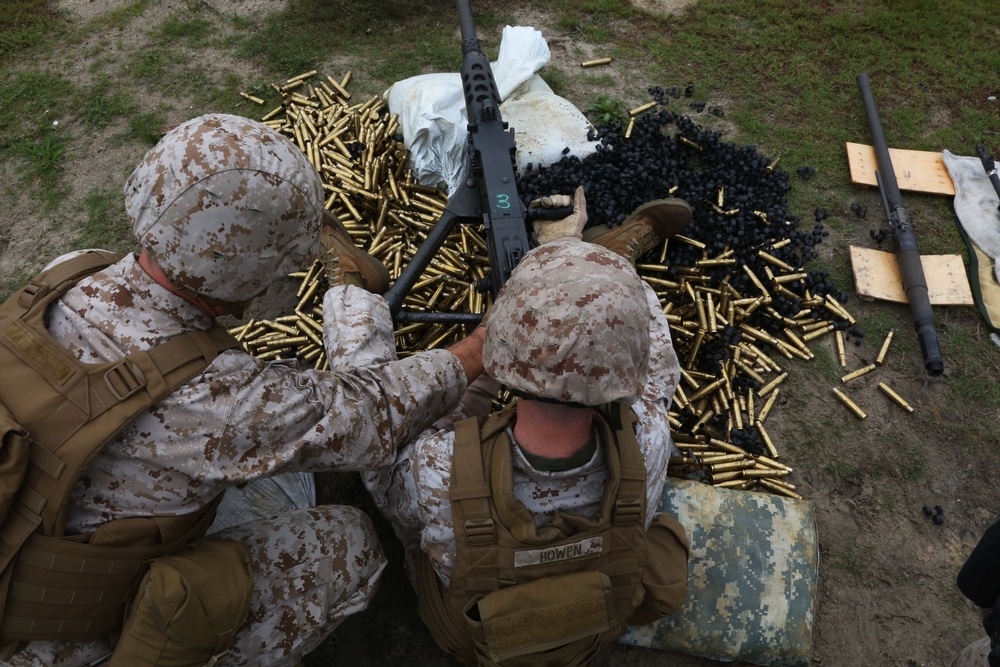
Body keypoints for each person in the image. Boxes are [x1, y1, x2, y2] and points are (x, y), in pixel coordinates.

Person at [0, 114, 485, 666]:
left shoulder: (67, 273)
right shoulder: (221, 403)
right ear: (249, 273)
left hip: (27, 536)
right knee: (346, 545)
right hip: (60, 642)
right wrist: (475, 350)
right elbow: (369, 413)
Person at [363, 187, 693, 666]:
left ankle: (351, 293)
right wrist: (579, 258)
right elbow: (653, 360)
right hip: (589, 621)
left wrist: (469, 391)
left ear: (502, 345)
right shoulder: (647, 435)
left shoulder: (438, 465)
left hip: (478, 631)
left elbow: (384, 474)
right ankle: (606, 258)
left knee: (386, 457)